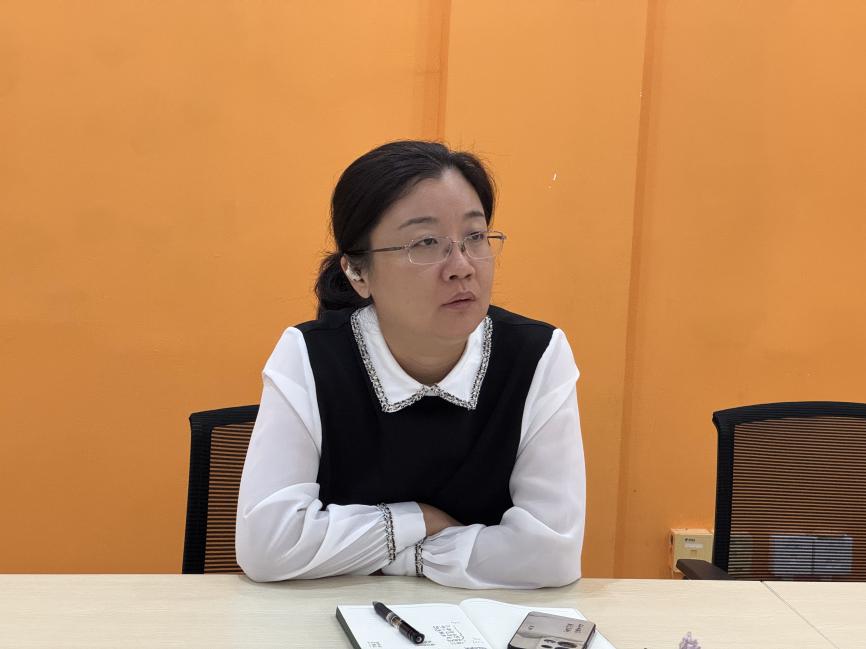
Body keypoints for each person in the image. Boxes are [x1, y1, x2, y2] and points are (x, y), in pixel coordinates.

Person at [235, 140, 586, 589]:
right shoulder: (309, 355)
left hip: (481, 621)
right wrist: (419, 519)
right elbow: (266, 546)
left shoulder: (537, 355)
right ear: (357, 272)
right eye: (425, 243)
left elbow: (551, 555)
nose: (461, 267)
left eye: (475, 237)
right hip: (329, 615)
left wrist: (407, 554)